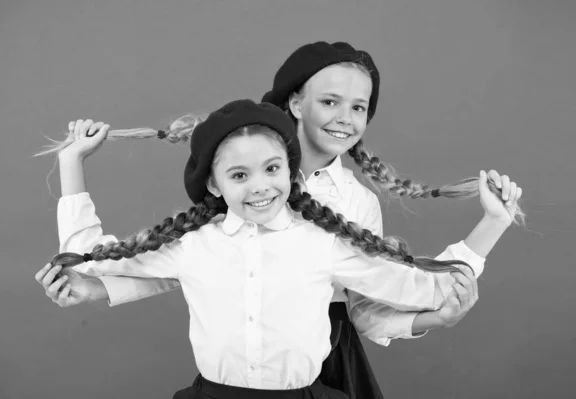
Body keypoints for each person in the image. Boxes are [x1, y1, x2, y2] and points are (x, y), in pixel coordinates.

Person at [37, 99, 493, 398]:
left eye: (272, 168)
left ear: (289, 171)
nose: (260, 187)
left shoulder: (322, 243)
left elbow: (415, 285)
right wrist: (71, 160)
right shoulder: (191, 245)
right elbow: (89, 261)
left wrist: (492, 225)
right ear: (214, 184)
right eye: (239, 175)